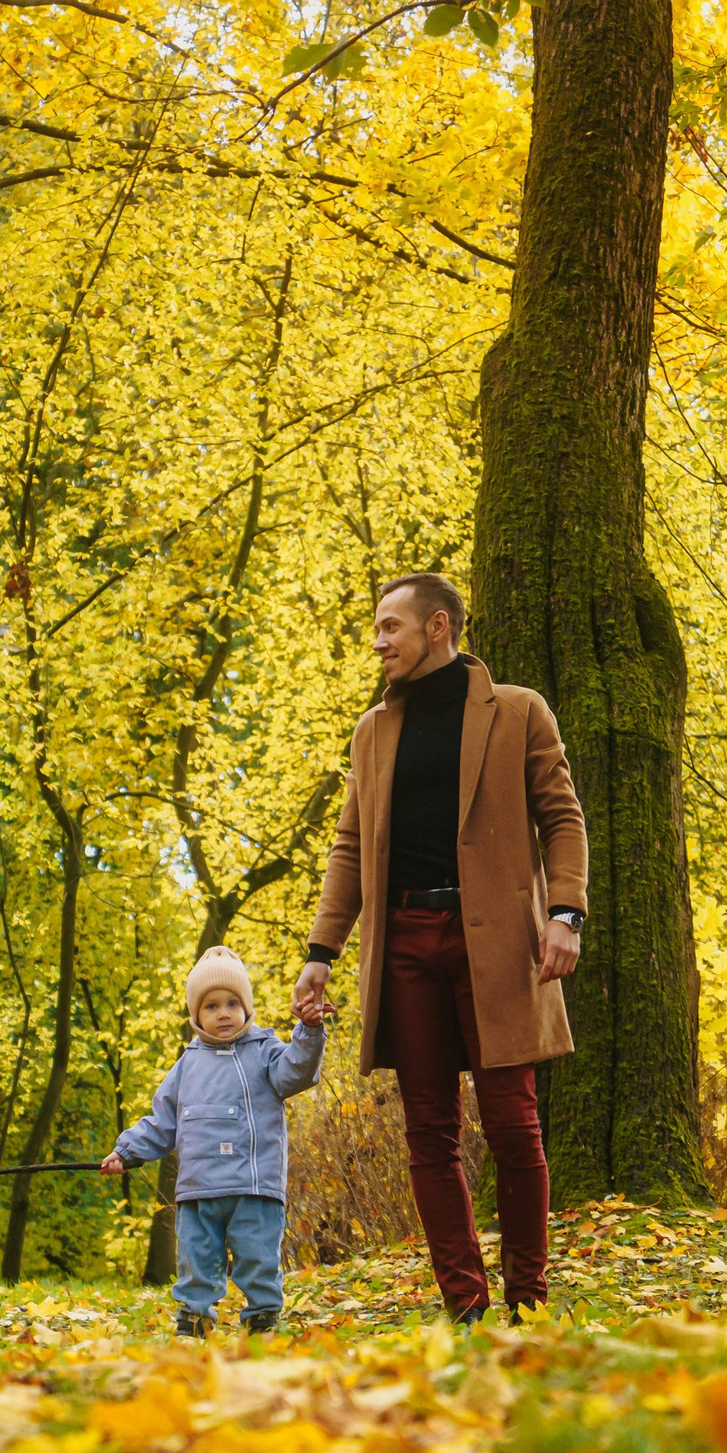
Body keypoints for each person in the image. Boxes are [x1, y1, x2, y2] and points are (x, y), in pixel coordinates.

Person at [293, 573, 586, 1324]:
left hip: (498, 943)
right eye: (377, 628)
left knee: (513, 1121)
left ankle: (528, 1301)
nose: (379, 641)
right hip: (406, 945)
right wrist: (321, 949)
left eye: (391, 626)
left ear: (438, 627)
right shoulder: (372, 730)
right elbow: (351, 845)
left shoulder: (518, 711)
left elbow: (562, 817)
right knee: (428, 1130)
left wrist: (564, 914)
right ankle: (466, 1304)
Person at [104, 947, 325, 1337]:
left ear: (246, 1007)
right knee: (196, 1260)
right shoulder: (186, 1065)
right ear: (196, 1015)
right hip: (199, 1190)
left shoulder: (265, 1053)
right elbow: (162, 1121)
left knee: (257, 1259)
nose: (223, 1014)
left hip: (254, 1186)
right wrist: (126, 1150)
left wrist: (308, 1032)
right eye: (211, 1006)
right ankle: (193, 1320)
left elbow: (298, 1073)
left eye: (232, 1003)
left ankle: (263, 1319)